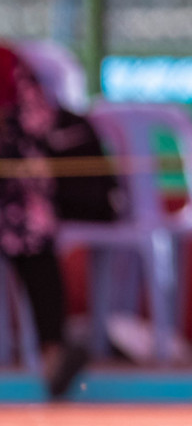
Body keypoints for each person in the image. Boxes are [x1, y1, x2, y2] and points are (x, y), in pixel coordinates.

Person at [0, 45, 90, 400]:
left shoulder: (7, 62)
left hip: (18, 187)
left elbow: (40, 123)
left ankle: (55, 352)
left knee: (33, 231)